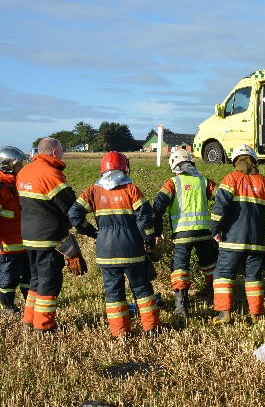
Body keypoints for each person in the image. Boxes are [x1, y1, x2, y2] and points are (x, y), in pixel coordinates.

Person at [68, 151, 162, 337]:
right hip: (132, 250)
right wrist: (149, 241)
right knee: (142, 289)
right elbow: (145, 219)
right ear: (124, 168)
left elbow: (74, 215)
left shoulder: (93, 190)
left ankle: (120, 333)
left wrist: (92, 232)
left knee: (113, 294)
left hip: (106, 251)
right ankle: (151, 329)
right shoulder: (132, 189)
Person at [210, 144, 265, 324]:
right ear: (254, 161)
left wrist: (214, 229)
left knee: (222, 274)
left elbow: (220, 208)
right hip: (256, 242)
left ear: (236, 161)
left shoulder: (231, 179)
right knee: (253, 277)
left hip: (232, 241)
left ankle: (224, 314)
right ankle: (255, 314)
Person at [16, 138, 77, 333]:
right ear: (53, 153)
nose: (62, 155)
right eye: (61, 151)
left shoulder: (24, 171)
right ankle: (44, 326)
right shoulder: (51, 174)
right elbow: (71, 207)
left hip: (27, 236)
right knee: (49, 281)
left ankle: (29, 319)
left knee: (35, 279)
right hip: (48, 238)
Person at [153, 149, 218, 316]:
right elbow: (221, 199)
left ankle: (181, 306)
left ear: (174, 166)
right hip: (205, 232)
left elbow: (158, 207)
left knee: (180, 268)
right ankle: (216, 298)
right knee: (210, 265)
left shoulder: (172, 183)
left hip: (182, 235)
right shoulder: (204, 181)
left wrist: (157, 230)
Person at [0, 147, 30, 314]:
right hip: (7, 243)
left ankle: (29, 303)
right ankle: (7, 306)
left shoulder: (16, 181)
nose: (22, 167)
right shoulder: (1, 184)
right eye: (19, 164)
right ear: (7, 165)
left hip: (23, 239)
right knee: (8, 278)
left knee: (28, 276)